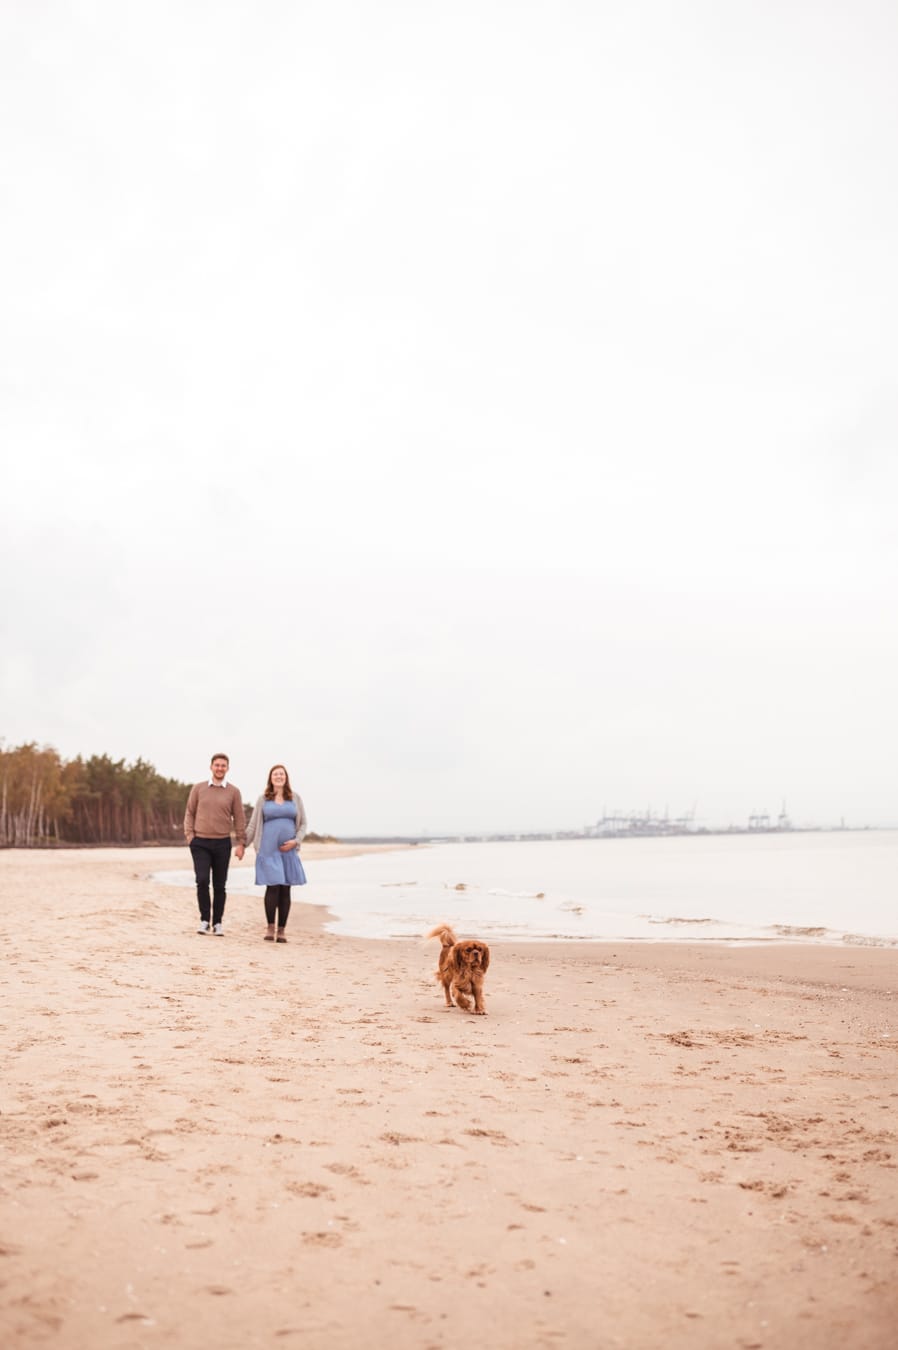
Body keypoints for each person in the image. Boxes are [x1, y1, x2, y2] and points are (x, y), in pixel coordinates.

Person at [183, 753, 246, 935]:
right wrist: (190, 836)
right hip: (200, 842)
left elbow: (239, 818)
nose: (220, 768)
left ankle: (217, 923)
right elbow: (189, 812)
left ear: (227, 768)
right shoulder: (198, 788)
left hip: (222, 843)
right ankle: (204, 920)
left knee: (220, 885)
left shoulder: (233, 792)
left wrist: (241, 842)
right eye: (217, 765)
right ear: (211, 767)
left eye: (223, 765)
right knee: (202, 881)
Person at [244, 764, 308, 942]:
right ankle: (270, 926)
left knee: (285, 888)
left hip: (289, 851)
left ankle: (282, 930)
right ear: (270, 778)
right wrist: (243, 844)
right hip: (268, 850)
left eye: (281, 774)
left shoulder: (295, 798)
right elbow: (252, 825)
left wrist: (296, 841)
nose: (279, 777)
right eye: (275, 774)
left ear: (286, 777)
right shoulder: (263, 799)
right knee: (272, 887)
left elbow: (303, 823)